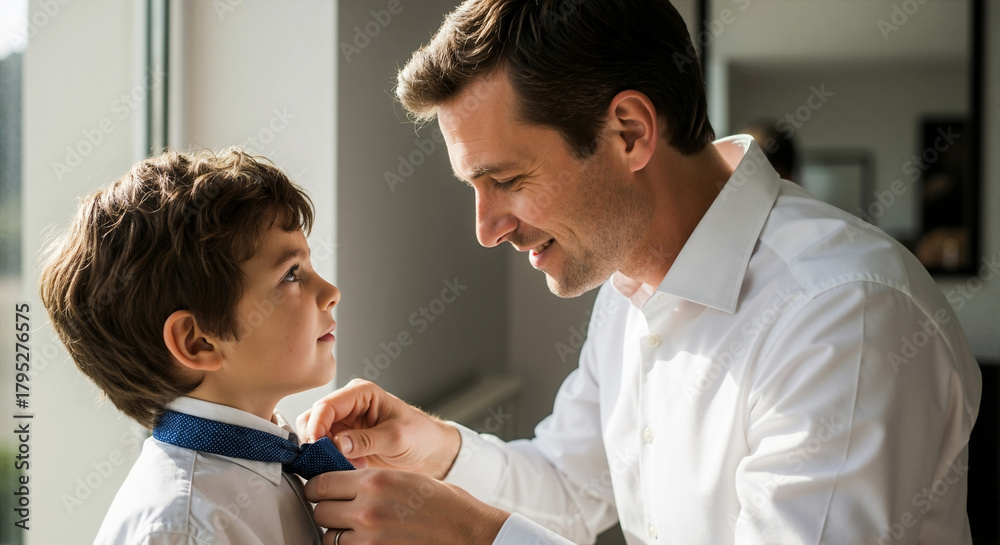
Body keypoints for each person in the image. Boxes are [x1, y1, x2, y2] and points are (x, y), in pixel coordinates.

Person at [299, 1, 982, 543]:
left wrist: (477, 538)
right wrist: (433, 446)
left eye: (505, 179)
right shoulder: (628, 293)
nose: (487, 229)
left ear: (629, 132)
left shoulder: (844, 316)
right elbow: (571, 486)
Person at [39, 148, 347, 544]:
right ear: (198, 341)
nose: (330, 292)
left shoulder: (275, 461)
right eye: (291, 274)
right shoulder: (183, 530)